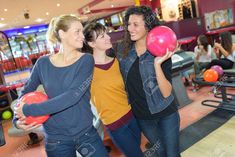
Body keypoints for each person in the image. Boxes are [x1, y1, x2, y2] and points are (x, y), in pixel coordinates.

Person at [13, 14, 108, 157]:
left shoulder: (86, 60)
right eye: (77, 31)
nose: (82, 36)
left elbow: (72, 96)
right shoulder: (42, 63)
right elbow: (25, 93)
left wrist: (28, 110)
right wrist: (17, 118)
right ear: (62, 34)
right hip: (56, 139)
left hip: (85, 134)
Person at [116, 6, 181, 157]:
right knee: (160, 152)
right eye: (129, 24)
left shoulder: (161, 49)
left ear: (148, 26)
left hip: (166, 113)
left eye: (136, 24)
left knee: (172, 154)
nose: (130, 28)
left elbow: (166, 93)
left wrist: (157, 64)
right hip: (143, 116)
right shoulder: (122, 51)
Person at [82, 22, 144, 157]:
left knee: (137, 150)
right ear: (92, 44)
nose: (108, 37)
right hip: (114, 124)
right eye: (102, 36)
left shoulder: (118, 62)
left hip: (132, 116)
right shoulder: (86, 70)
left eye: (106, 34)